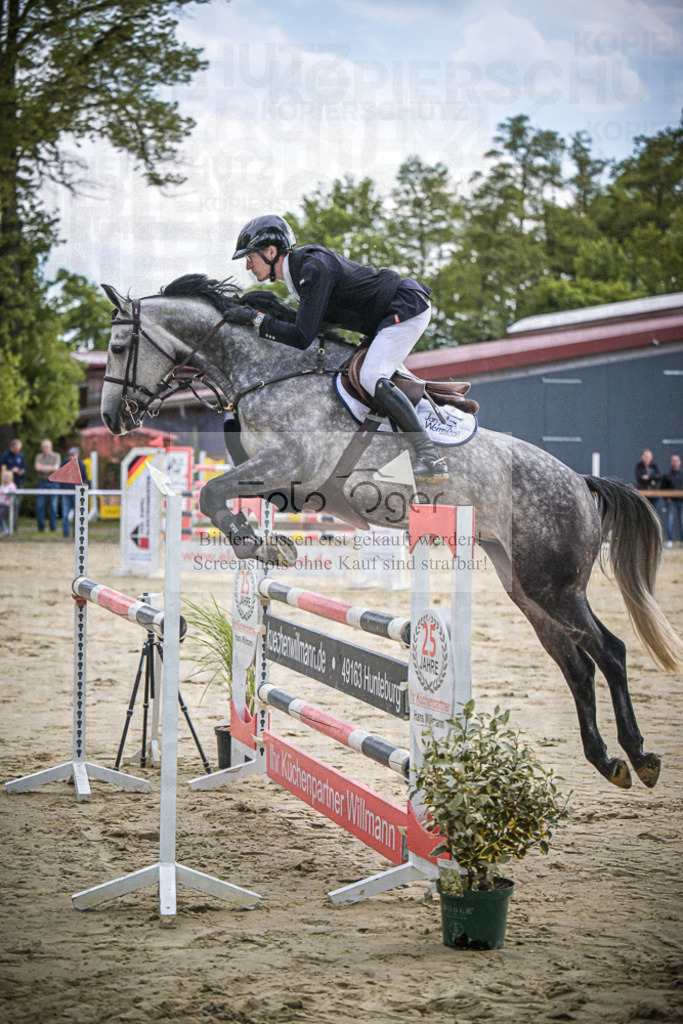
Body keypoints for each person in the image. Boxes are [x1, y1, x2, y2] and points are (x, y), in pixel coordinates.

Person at [231, 214, 448, 483]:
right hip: (384, 318)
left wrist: (255, 319)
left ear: (271, 251)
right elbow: (307, 325)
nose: (248, 266)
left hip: (405, 308)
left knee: (371, 376)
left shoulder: (312, 269)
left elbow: (302, 336)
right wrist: (255, 316)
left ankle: (430, 456)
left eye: (250, 257)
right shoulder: (300, 274)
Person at [59, 447, 89, 537]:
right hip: (66, 492)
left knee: (77, 515)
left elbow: (85, 479)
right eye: (70, 455)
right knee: (65, 515)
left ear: (77, 455)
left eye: (73, 455)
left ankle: (76, 534)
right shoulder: (64, 463)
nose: (71, 457)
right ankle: (65, 534)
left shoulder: (81, 465)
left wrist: (81, 487)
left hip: (77, 493)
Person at [34, 438, 61, 532]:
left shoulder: (56, 455)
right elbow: (37, 468)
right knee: (40, 506)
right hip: (41, 482)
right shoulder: (39, 456)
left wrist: (43, 467)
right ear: (42, 448)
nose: (46, 449)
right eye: (44, 447)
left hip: (53, 483)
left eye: (48, 447)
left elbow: (56, 468)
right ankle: (41, 528)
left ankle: (53, 527)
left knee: (53, 506)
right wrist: (50, 468)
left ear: (51, 447)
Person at [0, 438, 27, 523]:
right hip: (8, 484)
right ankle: (4, 524)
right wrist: (10, 470)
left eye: (19, 449)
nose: (17, 451)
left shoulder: (20, 455)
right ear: (11, 447)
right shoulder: (5, 455)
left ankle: (14, 524)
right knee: (4, 504)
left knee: (16, 504)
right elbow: (2, 468)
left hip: (18, 482)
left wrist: (21, 471)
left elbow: (25, 468)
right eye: (16, 449)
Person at [661, 453, 683, 548]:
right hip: (672, 502)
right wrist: (666, 498)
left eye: (676, 460)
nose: (675, 462)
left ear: (680, 462)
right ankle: (670, 540)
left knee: (682, 521)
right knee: (670, 521)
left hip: (682, 501)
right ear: (670, 462)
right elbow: (662, 488)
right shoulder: (667, 475)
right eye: (673, 460)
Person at [0, 469, 17, 536]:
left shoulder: (12, 485)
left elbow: (12, 494)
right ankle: (4, 529)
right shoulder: (2, 485)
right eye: (4, 476)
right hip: (0, 503)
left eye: (7, 477)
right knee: (1, 517)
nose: (5, 478)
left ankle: (5, 530)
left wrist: (5, 493)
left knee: (1, 516)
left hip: (6, 505)